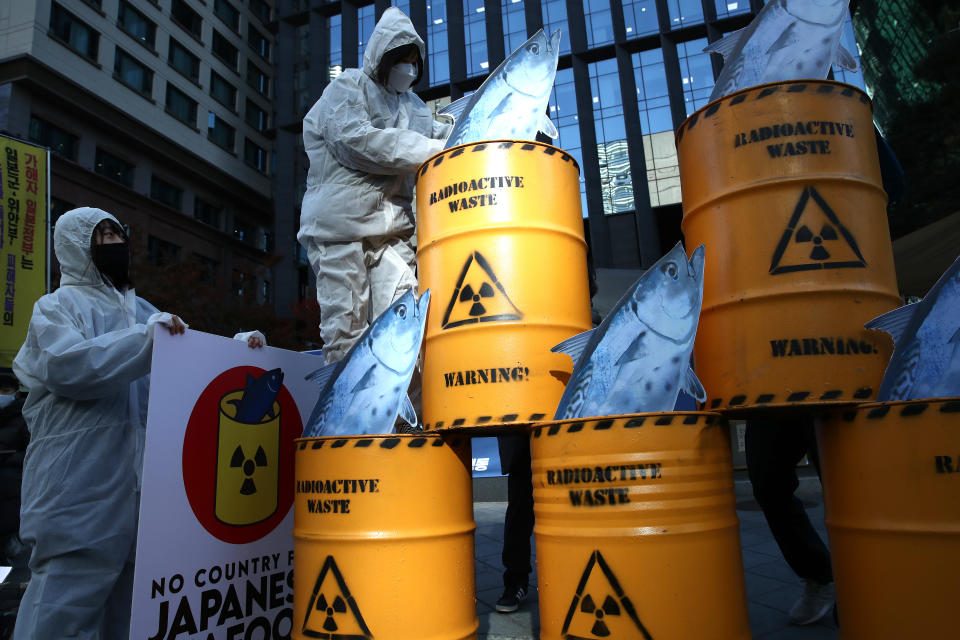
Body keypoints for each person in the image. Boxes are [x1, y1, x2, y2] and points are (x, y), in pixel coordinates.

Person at [11, 207, 262, 640]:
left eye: (117, 233)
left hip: (141, 498)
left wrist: (237, 354)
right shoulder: (56, 308)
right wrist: (143, 339)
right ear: (75, 247)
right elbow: (67, 365)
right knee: (61, 611)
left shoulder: (145, 312)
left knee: (129, 616)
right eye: (101, 236)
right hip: (77, 491)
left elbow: (191, 372)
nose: (115, 244)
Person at [297, 7, 452, 365]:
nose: (409, 68)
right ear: (384, 56)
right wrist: (433, 149)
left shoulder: (416, 108)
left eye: (415, 61)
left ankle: (404, 420)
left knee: (404, 327)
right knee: (345, 332)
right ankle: (350, 422)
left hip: (392, 233)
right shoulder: (347, 87)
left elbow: (445, 136)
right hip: (339, 230)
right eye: (402, 59)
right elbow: (355, 142)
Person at [745, 416, 834, 625]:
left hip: (833, 387)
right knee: (767, 482)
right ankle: (817, 573)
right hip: (767, 391)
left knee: (843, 477)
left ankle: (862, 591)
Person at [494, 435, 534, 613]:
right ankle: (516, 582)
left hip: (558, 425)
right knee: (519, 510)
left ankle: (571, 577)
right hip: (519, 427)